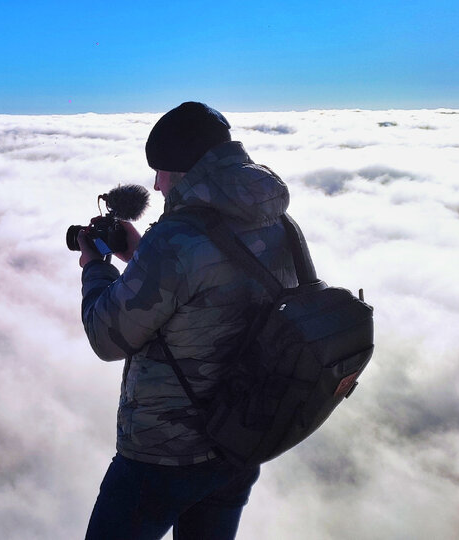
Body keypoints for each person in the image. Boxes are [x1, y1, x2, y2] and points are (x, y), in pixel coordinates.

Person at [77, 102, 298, 540]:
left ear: (184, 169)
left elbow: (107, 337)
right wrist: (143, 257)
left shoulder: (177, 239)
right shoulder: (277, 221)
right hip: (239, 439)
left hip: (164, 455)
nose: (156, 184)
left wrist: (95, 268)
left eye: (160, 171)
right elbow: (217, 289)